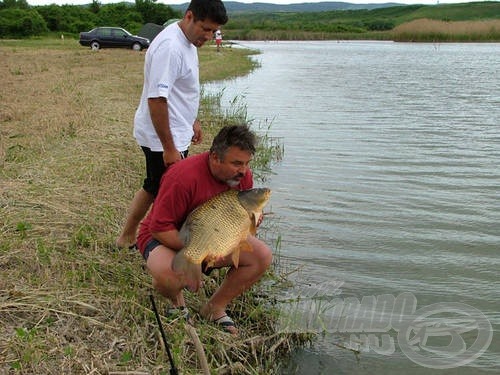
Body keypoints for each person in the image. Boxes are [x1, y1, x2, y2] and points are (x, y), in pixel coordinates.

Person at [136, 125, 273, 335]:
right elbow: (159, 229)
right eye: (236, 163)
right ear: (215, 157)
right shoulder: (181, 177)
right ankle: (177, 303)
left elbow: (240, 222)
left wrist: (253, 220)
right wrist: (200, 251)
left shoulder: (242, 177)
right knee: (169, 276)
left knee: (261, 256)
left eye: (246, 163)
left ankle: (214, 308)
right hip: (165, 236)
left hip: (214, 236)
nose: (243, 170)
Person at [116, 0, 228, 249]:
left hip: (175, 131)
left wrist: (192, 121)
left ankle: (128, 237)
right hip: (162, 138)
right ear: (189, 16)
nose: (209, 36)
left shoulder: (187, 42)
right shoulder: (171, 47)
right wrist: (169, 147)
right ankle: (154, 243)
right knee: (167, 193)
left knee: (154, 187)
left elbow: (182, 91)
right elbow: (156, 99)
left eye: (214, 31)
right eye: (206, 29)